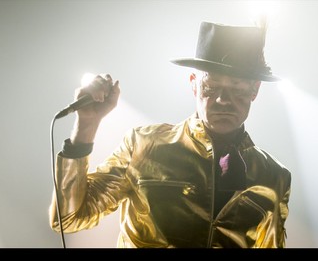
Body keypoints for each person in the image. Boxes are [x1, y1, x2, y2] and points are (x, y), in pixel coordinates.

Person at [49, 21, 292, 248]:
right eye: (211, 86)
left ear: (255, 91)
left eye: (237, 88)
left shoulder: (274, 176)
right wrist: (87, 125)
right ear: (193, 83)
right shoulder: (143, 145)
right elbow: (67, 218)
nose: (222, 100)